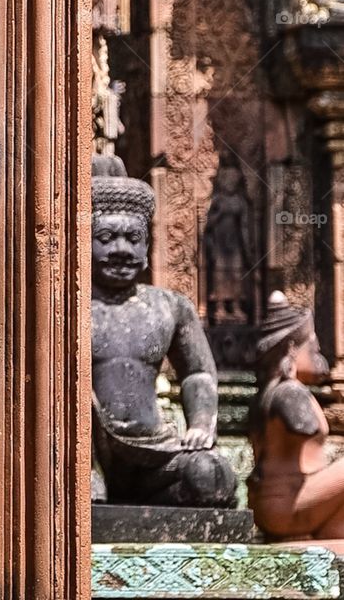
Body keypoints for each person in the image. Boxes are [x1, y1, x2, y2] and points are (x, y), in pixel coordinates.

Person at [91, 157, 236, 506]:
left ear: (147, 248)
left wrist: (201, 424)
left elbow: (198, 372)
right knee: (77, 488)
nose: (121, 250)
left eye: (133, 238)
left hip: (156, 449)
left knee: (211, 477)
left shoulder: (169, 307)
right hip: (84, 453)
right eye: (106, 237)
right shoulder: (66, 307)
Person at [248, 291, 344, 539]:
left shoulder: (267, 393)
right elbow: (305, 426)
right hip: (287, 503)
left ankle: (330, 538)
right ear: (292, 349)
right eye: (312, 345)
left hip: (273, 502)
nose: (319, 353)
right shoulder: (289, 393)